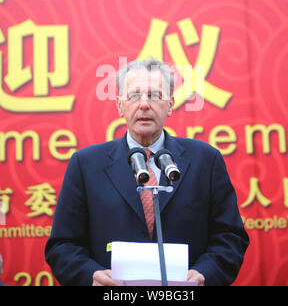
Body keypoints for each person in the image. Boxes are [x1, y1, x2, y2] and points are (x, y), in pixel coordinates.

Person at [45, 58, 249, 286]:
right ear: (119, 104)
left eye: (154, 95)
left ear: (171, 103)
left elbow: (230, 237)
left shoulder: (205, 160)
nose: (144, 104)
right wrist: (90, 275)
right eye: (134, 96)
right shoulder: (85, 164)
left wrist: (204, 273)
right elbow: (62, 245)